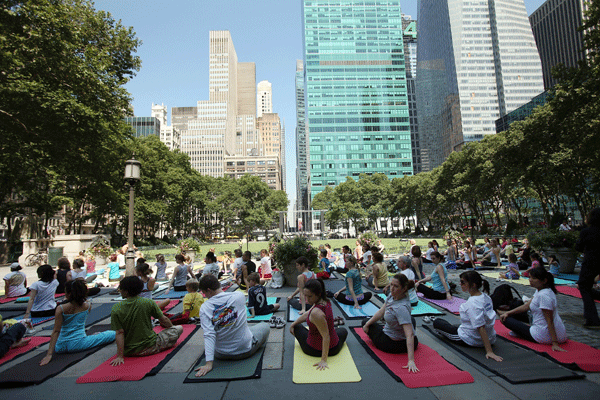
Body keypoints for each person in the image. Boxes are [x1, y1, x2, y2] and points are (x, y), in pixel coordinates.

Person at [195, 274, 270, 377]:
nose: (205, 296)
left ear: (209, 290)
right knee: (265, 326)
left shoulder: (204, 308)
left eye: (204, 293)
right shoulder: (238, 296)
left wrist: (209, 363)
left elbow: (209, 334)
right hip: (245, 350)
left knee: (246, 328)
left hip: (221, 354)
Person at [109, 276, 183, 366]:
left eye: (120, 288)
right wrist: (172, 329)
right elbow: (164, 320)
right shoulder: (148, 302)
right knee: (179, 328)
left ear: (126, 291)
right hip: (151, 347)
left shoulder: (116, 308)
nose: (119, 290)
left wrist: (120, 356)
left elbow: (119, 333)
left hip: (130, 351)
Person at [39, 280, 116, 365]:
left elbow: (56, 331)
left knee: (94, 336)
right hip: (79, 344)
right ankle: (94, 336)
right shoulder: (87, 306)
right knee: (112, 333)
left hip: (60, 346)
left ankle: (92, 337)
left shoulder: (61, 308)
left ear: (68, 294)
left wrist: (49, 354)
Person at [433, 271, 503, 362]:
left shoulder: (473, 303)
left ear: (473, 285)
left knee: (437, 322)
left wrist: (489, 351)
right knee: (456, 325)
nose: (460, 284)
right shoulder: (486, 297)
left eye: (463, 282)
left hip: (471, 339)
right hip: (491, 337)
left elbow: (481, 327)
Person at [499, 267, 568, 350]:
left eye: (534, 278)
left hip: (543, 335)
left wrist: (555, 343)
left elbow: (549, 320)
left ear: (544, 280)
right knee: (509, 314)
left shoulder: (544, 296)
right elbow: (527, 306)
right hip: (552, 332)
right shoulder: (541, 290)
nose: (530, 280)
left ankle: (520, 332)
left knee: (505, 320)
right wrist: (507, 313)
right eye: (530, 277)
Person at [362, 274, 419, 370]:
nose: (392, 288)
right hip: (406, 338)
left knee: (364, 322)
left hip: (392, 343)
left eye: (396, 286)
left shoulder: (401, 308)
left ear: (404, 289)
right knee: (411, 319)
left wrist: (411, 360)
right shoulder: (392, 295)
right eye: (391, 284)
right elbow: (381, 311)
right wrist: (368, 324)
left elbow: (409, 334)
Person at [289, 279, 348, 370]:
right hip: (334, 346)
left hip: (314, 350)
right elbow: (307, 313)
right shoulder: (326, 301)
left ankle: (322, 354)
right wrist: (293, 323)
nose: (307, 299)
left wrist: (323, 360)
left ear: (318, 294)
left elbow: (326, 336)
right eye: (305, 296)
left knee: (297, 327)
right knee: (343, 330)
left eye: (310, 296)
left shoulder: (316, 313)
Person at [575, 207, 600, 329]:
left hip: (591, 262)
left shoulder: (586, 232)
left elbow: (578, 247)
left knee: (584, 286)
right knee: (586, 287)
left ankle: (592, 318)